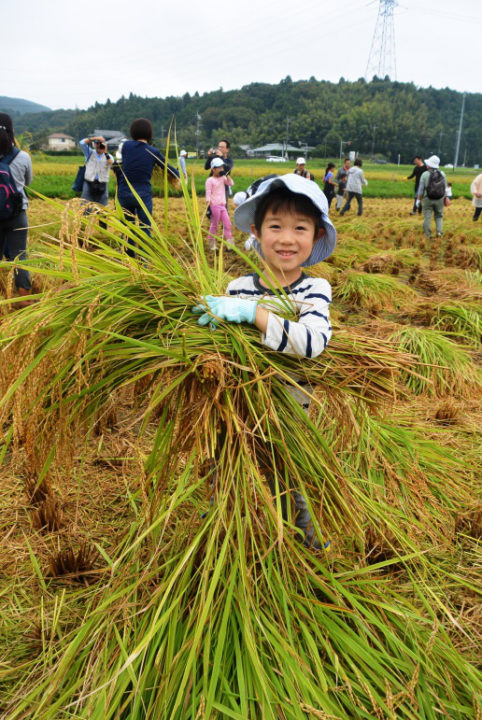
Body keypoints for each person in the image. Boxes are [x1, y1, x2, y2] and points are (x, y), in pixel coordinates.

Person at [193, 174, 336, 549]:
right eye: (275, 226)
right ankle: (218, 537)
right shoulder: (237, 287)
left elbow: (313, 342)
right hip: (236, 401)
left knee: (287, 478)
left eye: (300, 228)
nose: (287, 238)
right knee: (224, 468)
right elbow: (223, 348)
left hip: (288, 406)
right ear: (256, 231)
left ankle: (309, 551)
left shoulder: (313, 290)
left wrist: (252, 313)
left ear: (316, 236)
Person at [117, 118, 179, 254]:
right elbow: (167, 167)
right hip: (142, 194)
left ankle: (129, 258)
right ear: (149, 133)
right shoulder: (153, 151)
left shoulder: (126, 146)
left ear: (133, 132)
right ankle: (144, 259)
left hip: (124, 192)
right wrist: (178, 174)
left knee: (127, 227)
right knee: (145, 228)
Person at [0, 112, 33, 306]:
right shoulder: (23, 157)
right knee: (20, 254)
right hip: (17, 213)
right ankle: (23, 297)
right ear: (12, 131)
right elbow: (27, 183)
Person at [205, 157, 234, 251]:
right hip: (215, 206)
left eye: (222, 167)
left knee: (228, 224)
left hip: (223, 205)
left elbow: (231, 183)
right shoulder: (210, 180)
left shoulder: (223, 178)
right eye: (219, 168)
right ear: (213, 169)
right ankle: (212, 245)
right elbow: (208, 194)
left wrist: (227, 174)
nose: (221, 169)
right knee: (215, 224)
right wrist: (209, 205)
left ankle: (230, 245)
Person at [416, 155, 447, 239]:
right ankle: (439, 233)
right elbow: (445, 188)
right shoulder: (443, 174)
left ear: (429, 165)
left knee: (427, 217)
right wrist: (446, 198)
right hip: (440, 199)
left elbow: (421, 189)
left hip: (427, 199)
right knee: (439, 216)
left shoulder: (425, 174)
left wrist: (418, 200)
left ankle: (427, 235)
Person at [79, 135, 113, 207]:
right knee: (85, 206)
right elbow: (82, 143)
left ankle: (101, 218)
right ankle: (85, 217)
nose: (99, 145)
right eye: (97, 143)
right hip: (89, 182)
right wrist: (95, 138)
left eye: (101, 143)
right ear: (94, 144)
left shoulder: (108, 155)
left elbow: (111, 163)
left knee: (102, 207)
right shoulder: (90, 153)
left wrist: (105, 152)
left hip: (102, 183)